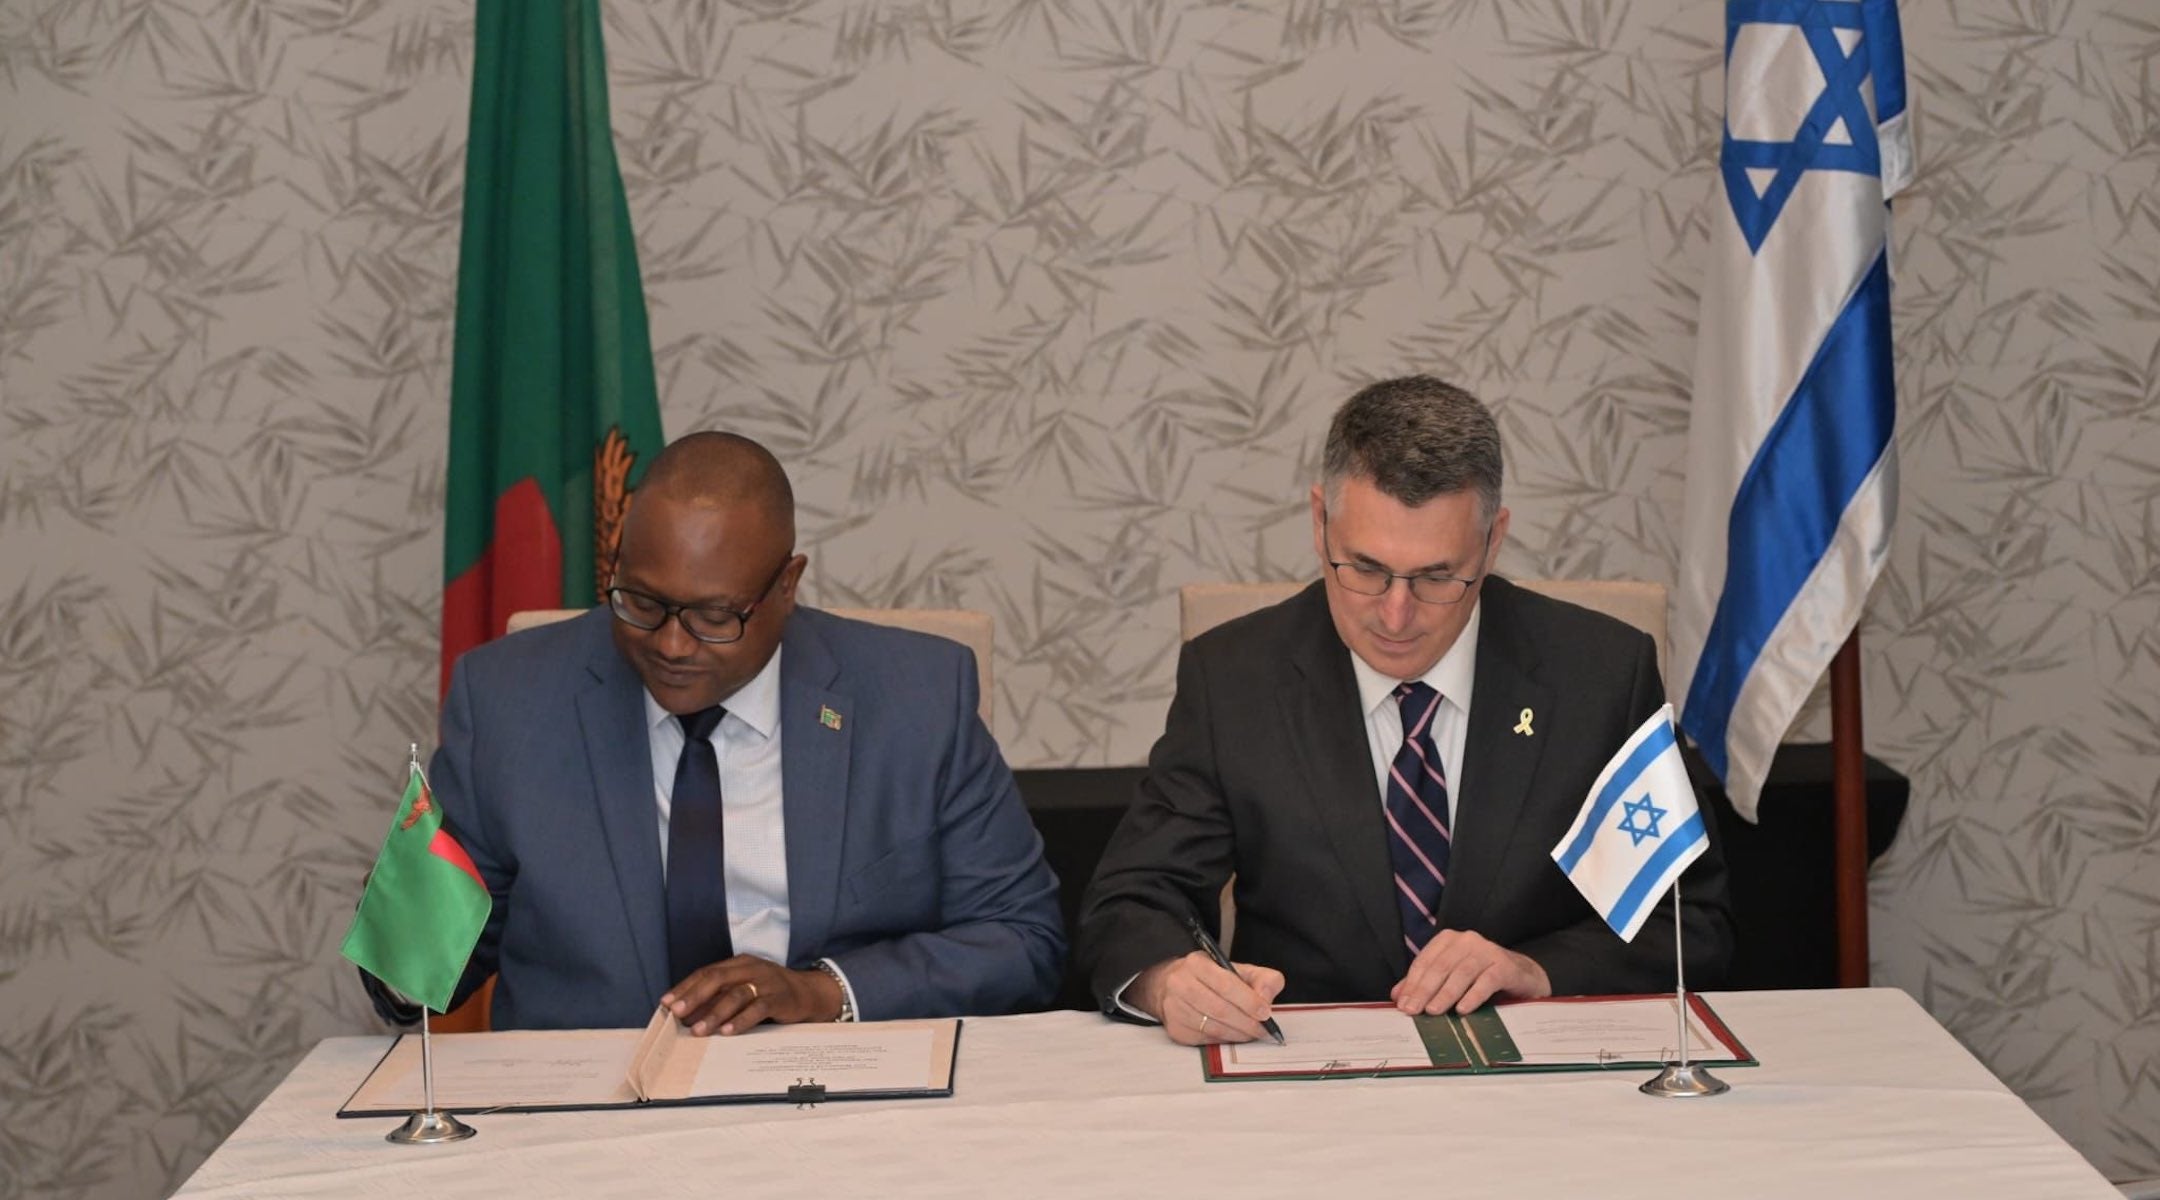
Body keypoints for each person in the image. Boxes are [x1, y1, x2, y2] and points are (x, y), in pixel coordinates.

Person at [1075, 376, 1733, 1045]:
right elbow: (1132, 901)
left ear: (1494, 540)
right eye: (1364, 570)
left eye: (1436, 577)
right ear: (1318, 521)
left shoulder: (1598, 676)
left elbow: (1690, 923)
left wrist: (1536, 969)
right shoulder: (1236, 680)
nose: (1396, 614)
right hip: (1308, 1080)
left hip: (1534, 1082)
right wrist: (1168, 981)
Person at [365, 431, 1065, 1032]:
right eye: (643, 602)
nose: (671, 644)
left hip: (836, 1101)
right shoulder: (514, 701)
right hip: (589, 1123)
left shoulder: (914, 698)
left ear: (787, 586)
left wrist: (825, 992)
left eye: (714, 616)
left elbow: (1022, 942)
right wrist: (404, 942)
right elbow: (425, 962)